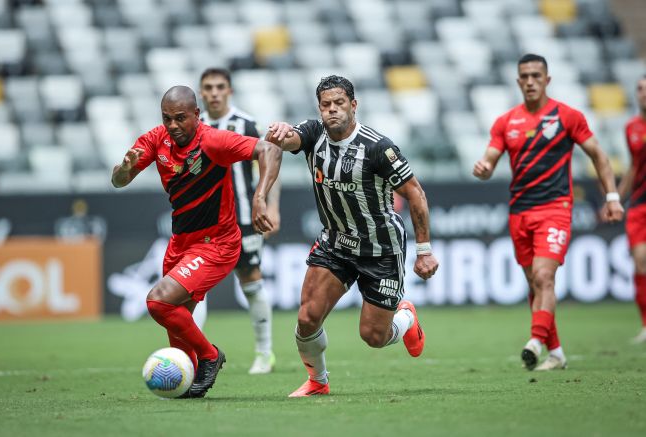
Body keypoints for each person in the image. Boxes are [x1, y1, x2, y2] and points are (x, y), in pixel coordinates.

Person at [267, 75, 439, 397]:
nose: (332, 110)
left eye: (339, 103)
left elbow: (415, 194)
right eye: (326, 105)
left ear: (353, 105)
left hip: (381, 249)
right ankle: (318, 382)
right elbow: (290, 138)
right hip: (335, 243)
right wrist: (280, 131)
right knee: (307, 318)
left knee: (374, 336)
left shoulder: (378, 148)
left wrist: (424, 250)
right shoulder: (314, 133)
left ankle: (405, 317)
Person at [111, 86, 281, 398]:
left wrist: (260, 198)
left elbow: (270, 150)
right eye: (167, 119)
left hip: (216, 243)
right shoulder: (155, 139)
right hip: (180, 243)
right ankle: (187, 383)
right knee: (177, 325)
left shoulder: (213, 140)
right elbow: (119, 181)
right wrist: (123, 170)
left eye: (180, 118)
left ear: (196, 115)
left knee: (158, 302)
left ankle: (210, 356)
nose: (173, 125)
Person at [472, 54, 624, 371]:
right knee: (534, 283)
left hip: (555, 208)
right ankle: (556, 352)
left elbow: (599, 155)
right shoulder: (505, 122)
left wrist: (611, 196)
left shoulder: (567, 117)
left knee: (544, 276)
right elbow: (490, 159)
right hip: (520, 212)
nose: (530, 81)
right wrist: (484, 168)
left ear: (547, 80)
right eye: (524, 76)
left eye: (536, 76)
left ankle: (535, 342)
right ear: (517, 81)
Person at [195, 67, 280, 374]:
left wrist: (272, 206)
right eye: (208, 87)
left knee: (251, 280)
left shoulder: (246, 123)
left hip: (243, 219)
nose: (214, 92)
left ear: (229, 90)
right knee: (194, 288)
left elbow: (270, 158)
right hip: (205, 223)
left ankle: (264, 352)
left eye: (220, 86)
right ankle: (193, 354)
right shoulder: (193, 126)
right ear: (201, 92)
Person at [618, 75, 646, 343]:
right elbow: (634, 166)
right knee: (640, 261)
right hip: (639, 204)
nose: (643, 94)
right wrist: (616, 198)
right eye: (639, 89)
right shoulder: (631, 128)